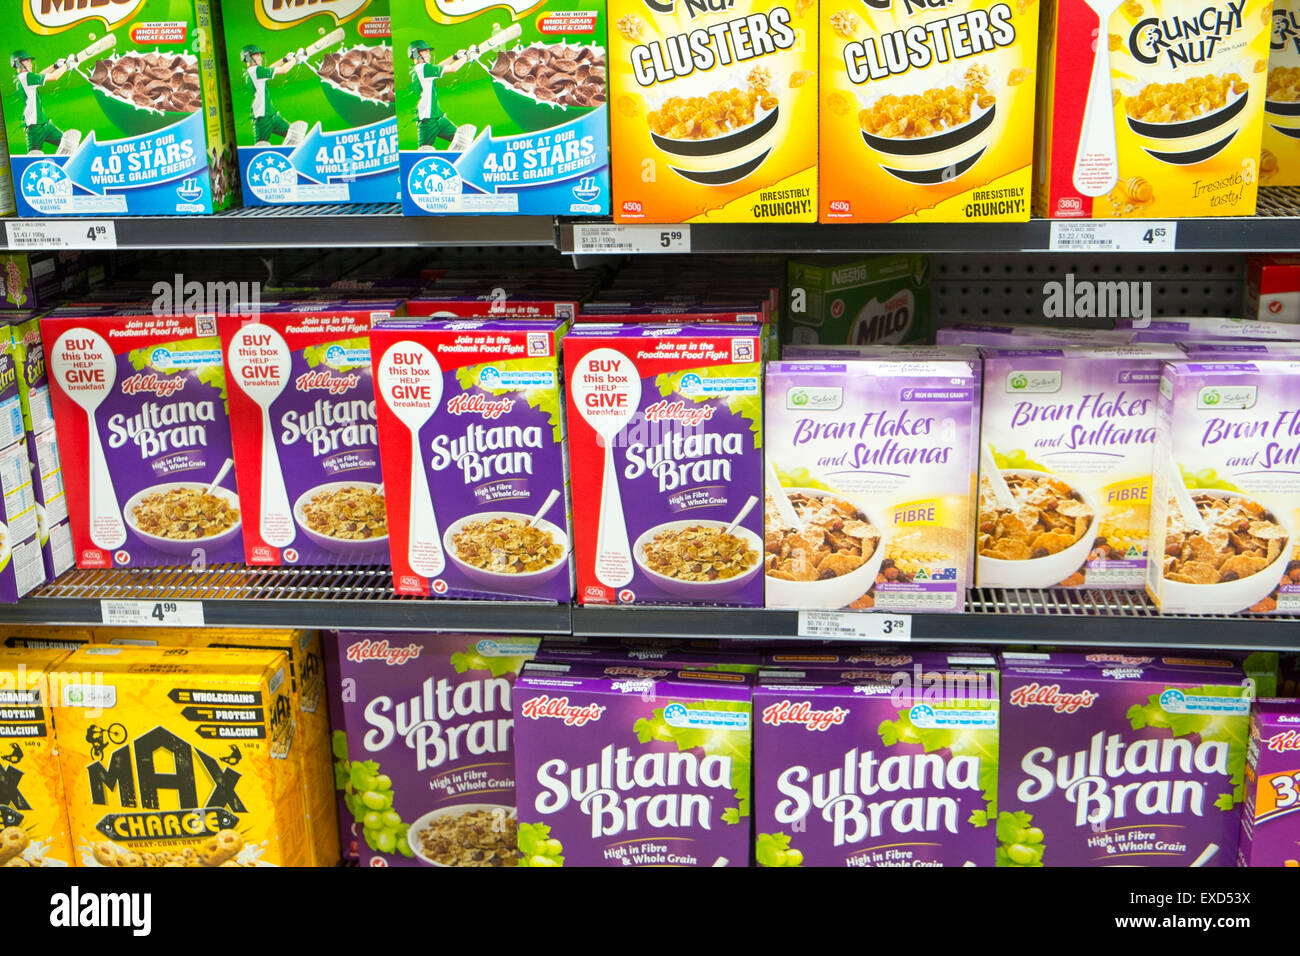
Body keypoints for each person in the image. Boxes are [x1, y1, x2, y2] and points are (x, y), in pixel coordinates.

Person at [407, 39, 477, 151]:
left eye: (428, 52)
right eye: (425, 52)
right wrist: (467, 57)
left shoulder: (423, 69)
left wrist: (454, 57)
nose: (428, 54)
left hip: (439, 119)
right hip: (428, 122)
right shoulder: (423, 68)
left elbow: (439, 67)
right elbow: (453, 69)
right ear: (416, 53)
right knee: (422, 153)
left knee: (463, 140)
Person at [11, 50, 78, 156]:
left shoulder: (24, 78)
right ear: (18, 63)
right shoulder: (26, 77)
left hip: (45, 124)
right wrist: (67, 65)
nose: (30, 63)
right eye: (26, 61)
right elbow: (54, 77)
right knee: (33, 157)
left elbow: (39, 75)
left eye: (30, 61)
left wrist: (55, 66)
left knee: (68, 144)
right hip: (34, 129)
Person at [240, 43, 303, 146]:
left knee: (294, 135)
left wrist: (285, 60)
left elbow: (270, 68)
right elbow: (283, 70)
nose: (260, 57)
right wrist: (296, 59)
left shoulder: (253, 71)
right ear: (248, 57)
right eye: (257, 55)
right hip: (262, 120)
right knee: (259, 149)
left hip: (272, 116)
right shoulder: (256, 71)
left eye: (260, 55)